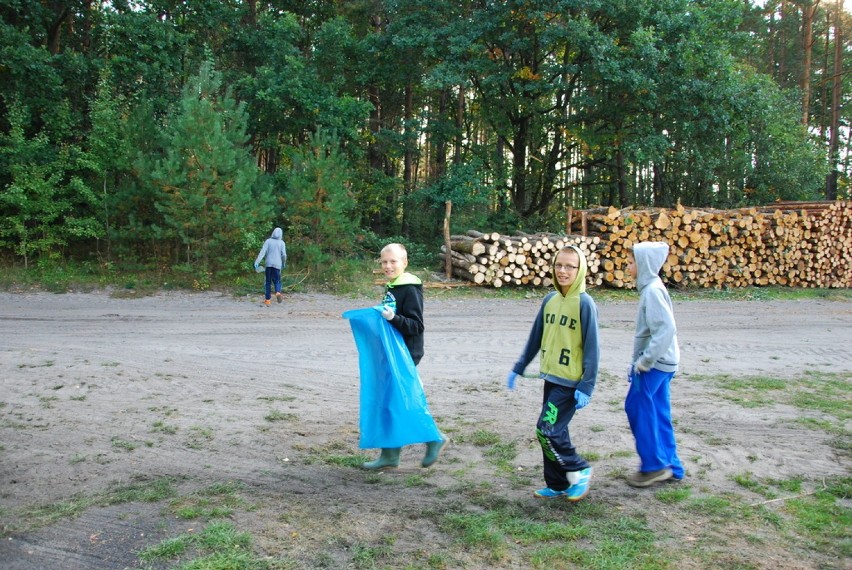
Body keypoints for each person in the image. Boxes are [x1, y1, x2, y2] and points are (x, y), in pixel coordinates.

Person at [506, 245, 599, 501]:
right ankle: (558, 484)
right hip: (551, 377)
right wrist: (519, 366)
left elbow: (592, 348)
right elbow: (536, 336)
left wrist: (586, 385)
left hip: (570, 383)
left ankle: (579, 469)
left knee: (546, 429)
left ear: (580, 270)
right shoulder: (550, 300)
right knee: (558, 430)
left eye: (570, 266)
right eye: (559, 265)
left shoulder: (585, 304)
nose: (563, 270)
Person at [362, 243, 447, 470]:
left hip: (406, 354)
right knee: (391, 402)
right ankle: (390, 455)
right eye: (384, 262)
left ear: (404, 262)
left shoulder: (409, 288)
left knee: (403, 402)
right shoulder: (394, 286)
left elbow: (416, 326)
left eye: (393, 261)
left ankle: (434, 438)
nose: (388, 266)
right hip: (392, 352)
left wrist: (392, 318)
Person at [624, 241, 685, 487]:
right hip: (665, 363)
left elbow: (666, 329)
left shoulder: (652, 291)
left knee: (637, 407)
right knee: (658, 412)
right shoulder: (653, 288)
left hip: (655, 364)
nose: (627, 267)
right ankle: (672, 466)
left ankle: (654, 466)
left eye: (631, 263)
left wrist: (645, 361)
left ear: (644, 265)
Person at [254, 227, 287, 306]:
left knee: (268, 282)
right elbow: (284, 255)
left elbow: (262, 252)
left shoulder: (268, 241)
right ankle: (278, 292)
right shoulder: (282, 243)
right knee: (277, 281)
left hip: (268, 264)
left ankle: (267, 300)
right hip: (277, 265)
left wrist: (257, 262)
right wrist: (284, 263)